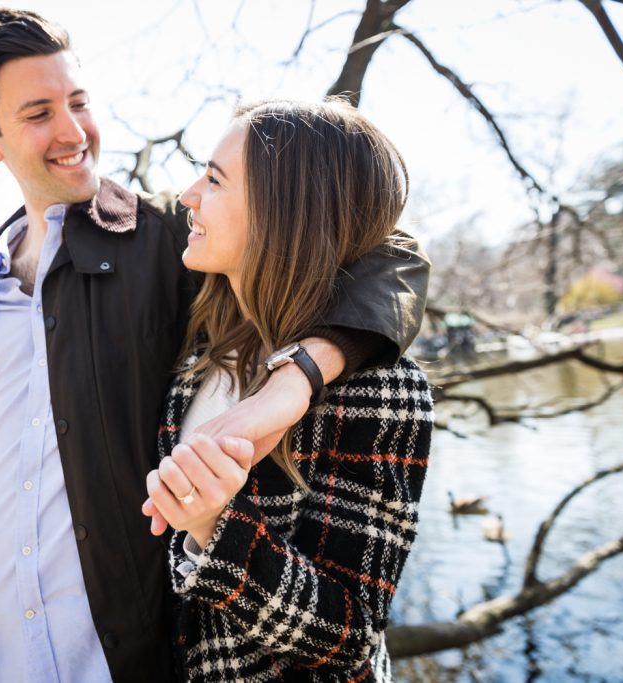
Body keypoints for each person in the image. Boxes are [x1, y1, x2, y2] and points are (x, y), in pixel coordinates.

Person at [0, 9, 430, 683]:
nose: (71, 131)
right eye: (38, 113)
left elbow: (386, 253)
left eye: (80, 102)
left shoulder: (168, 240)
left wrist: (298, 374)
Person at [142, 99, 433, 681]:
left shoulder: (381, 389)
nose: (187, 195)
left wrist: (212, 528)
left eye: (215, 180)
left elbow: (349, 638)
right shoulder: (199, 356)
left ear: (284, 212)